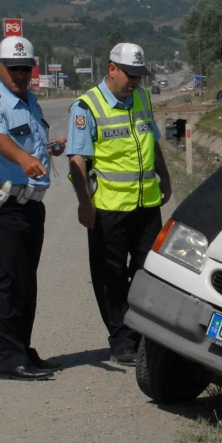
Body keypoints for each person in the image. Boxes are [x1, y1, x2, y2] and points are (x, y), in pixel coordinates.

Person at [66, 43, 173, 366]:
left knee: (147, 272)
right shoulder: (86, 106)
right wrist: (85, 203)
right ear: (112, 69)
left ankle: (141, 331)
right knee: (110, 276)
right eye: (130, 75)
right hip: (109, 208)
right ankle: (122, 339)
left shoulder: (142, 97)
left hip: (146, 203)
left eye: (140, 76)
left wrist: (164, 178)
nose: (135, 82)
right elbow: (77, 160)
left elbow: (151, 141)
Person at [0, 36, 67, 381]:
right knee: (3, 284)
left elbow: (33, 142)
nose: (20, 75)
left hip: (29, 206)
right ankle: (8, 360)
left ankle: (22, 349)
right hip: (2, 205)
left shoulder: (30, 102)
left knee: (25, 284)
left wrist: (50, 148)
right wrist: (24, 158)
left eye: (26, 68)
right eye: (14, 69)